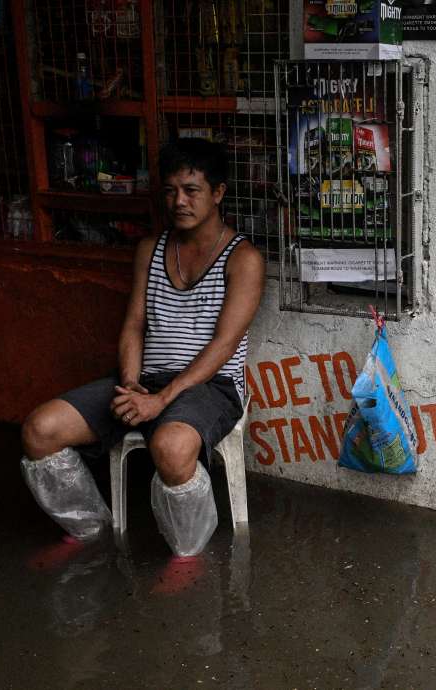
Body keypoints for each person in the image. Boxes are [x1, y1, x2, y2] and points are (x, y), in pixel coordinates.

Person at [19, 138, 265, 557]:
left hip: (212, 386)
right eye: (170, 191)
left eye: (191, 190)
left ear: (218, 193)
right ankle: (88, 529)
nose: (179, 201)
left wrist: (162, 399)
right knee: (40, 430)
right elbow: (133, 325)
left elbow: (224, 345)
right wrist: (132, 387)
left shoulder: (243, 259)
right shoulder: (149, 250)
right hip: (146, 380)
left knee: (170, 448)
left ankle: (188, 551)